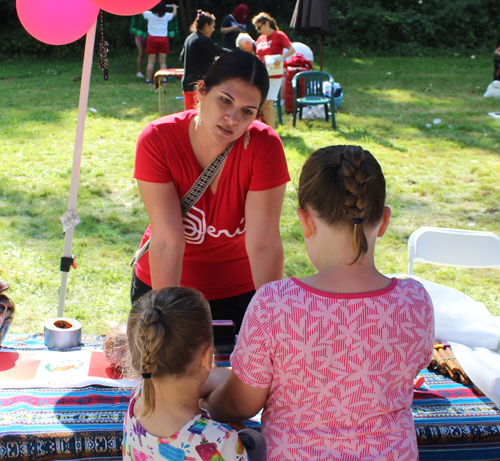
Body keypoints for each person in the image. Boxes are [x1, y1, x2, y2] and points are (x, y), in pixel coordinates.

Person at [201, 145, 435, 460]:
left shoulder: (275, 304)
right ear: (384, 221)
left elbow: (240, 405)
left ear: (305, 221)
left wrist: (206, 402)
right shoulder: (415, 301)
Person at [131, 51, 290, 333]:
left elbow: (264, 244)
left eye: (246, 111)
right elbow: (168, 241)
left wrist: (270, 318)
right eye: (225, 100)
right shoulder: (158, 139)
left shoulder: (265, 146)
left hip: (241, 290)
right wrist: (168, 321)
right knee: (167, 373)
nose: (232, 118)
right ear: (201, 91)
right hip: (166, 285)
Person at [122, 286, 249, 461]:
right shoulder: (219, 442)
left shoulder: (136, 401)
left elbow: (215, 379)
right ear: (207, 357)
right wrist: (243, 439)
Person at [252, 12, 295, 129]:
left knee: (268, 103)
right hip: (261, 74)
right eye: (256, 28)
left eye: (259, 27)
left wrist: (281, 57)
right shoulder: (260, 38)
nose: (258, 30)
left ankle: (271, 132)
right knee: (259, 103)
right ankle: (263, 129)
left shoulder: (279, 35)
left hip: (274, 75)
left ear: (267, 23)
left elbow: (291, 49)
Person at [181, 11, 227, 111]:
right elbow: (220, 51)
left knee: (190, 116)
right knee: (201, 117)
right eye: (213, 26)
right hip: (200, 85)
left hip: (187, 83)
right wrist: (237, 53)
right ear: (206, 26)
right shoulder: (204, 40)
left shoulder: (189, 38)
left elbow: (182, 57)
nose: (213, 29)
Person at [143, 2, 178, 85]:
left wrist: (146, 4)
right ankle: (164, 80)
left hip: (152, 39)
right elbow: (174, 14)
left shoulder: (149, 15)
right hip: (163, 39)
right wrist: (174, 7)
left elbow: (141, 11)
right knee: (162, 62)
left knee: (151, 62)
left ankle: (148, 80)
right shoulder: (166, 16)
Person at [129, 14, 148, 78]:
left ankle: (148, 71)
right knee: (141, 53)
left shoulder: (150, 13)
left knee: (149, 55)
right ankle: (138, 71)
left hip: (148, 36)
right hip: (139, 36)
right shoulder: (138, 14)